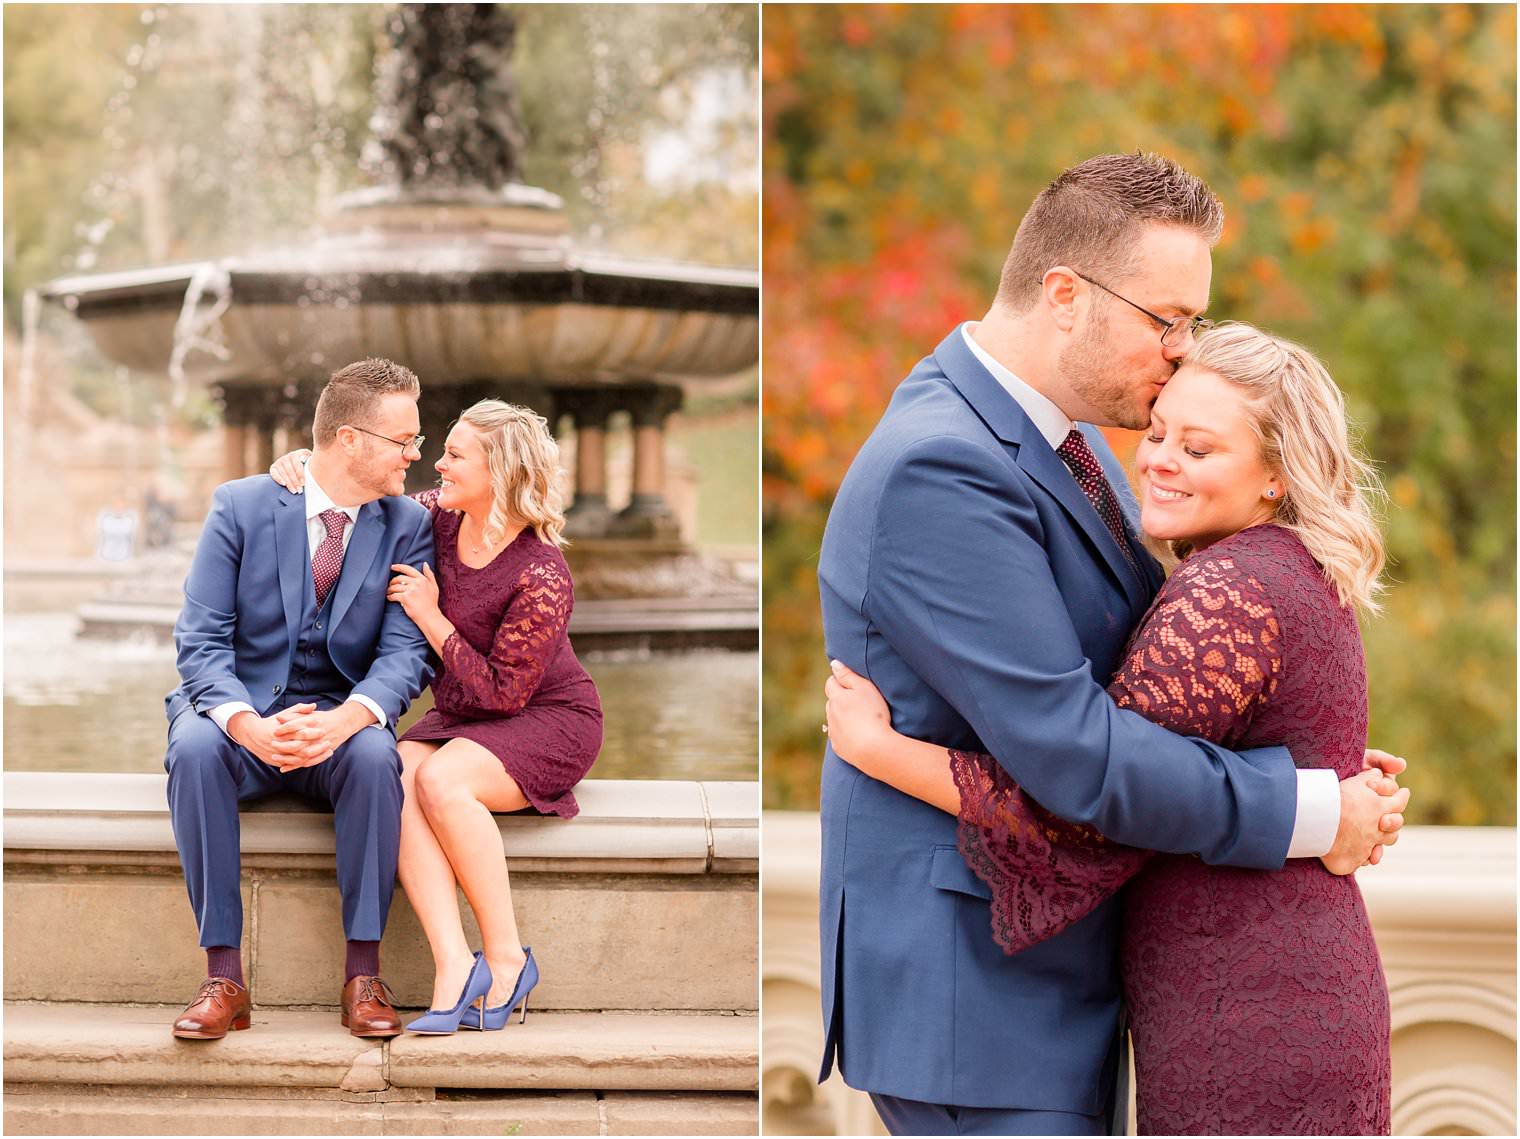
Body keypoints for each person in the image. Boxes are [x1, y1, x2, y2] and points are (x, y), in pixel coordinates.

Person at [814, 153, 1408, 1136]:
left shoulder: (1073, 445)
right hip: (978, 1007)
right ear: (1062, 294)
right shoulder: (942, 465)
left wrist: (1306, 752)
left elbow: (1155, 695)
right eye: (1163, 320)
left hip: (1065, 993)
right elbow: (1074, 750)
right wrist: (1306, 805)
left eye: (1193, 323)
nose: (1180, 352)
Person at [271, 400, 603, 1034]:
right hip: (464, 718)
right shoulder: (438, 518)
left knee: (441, 782)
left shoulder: (543, 573)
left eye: (454, 455)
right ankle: (454, 964)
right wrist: (300, 468)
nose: (436, 464)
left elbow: (504, 695)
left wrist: (431, 615)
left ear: (499, 472)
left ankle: (507, 959)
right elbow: (359, 499)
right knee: (394, 769)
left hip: (547, 718)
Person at [164, 357, 434, 1041]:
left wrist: (348, 718)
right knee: (195, 746)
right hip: (245, 716)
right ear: (350, 440)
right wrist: (248, 725)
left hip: (338, 725)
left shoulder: (409, 523)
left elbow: (405, 653)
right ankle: (224, 974)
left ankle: (363, 975)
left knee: (379, 756)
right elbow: (200, 641)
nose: (415, 453)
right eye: (405, 440)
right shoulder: (241, 505)